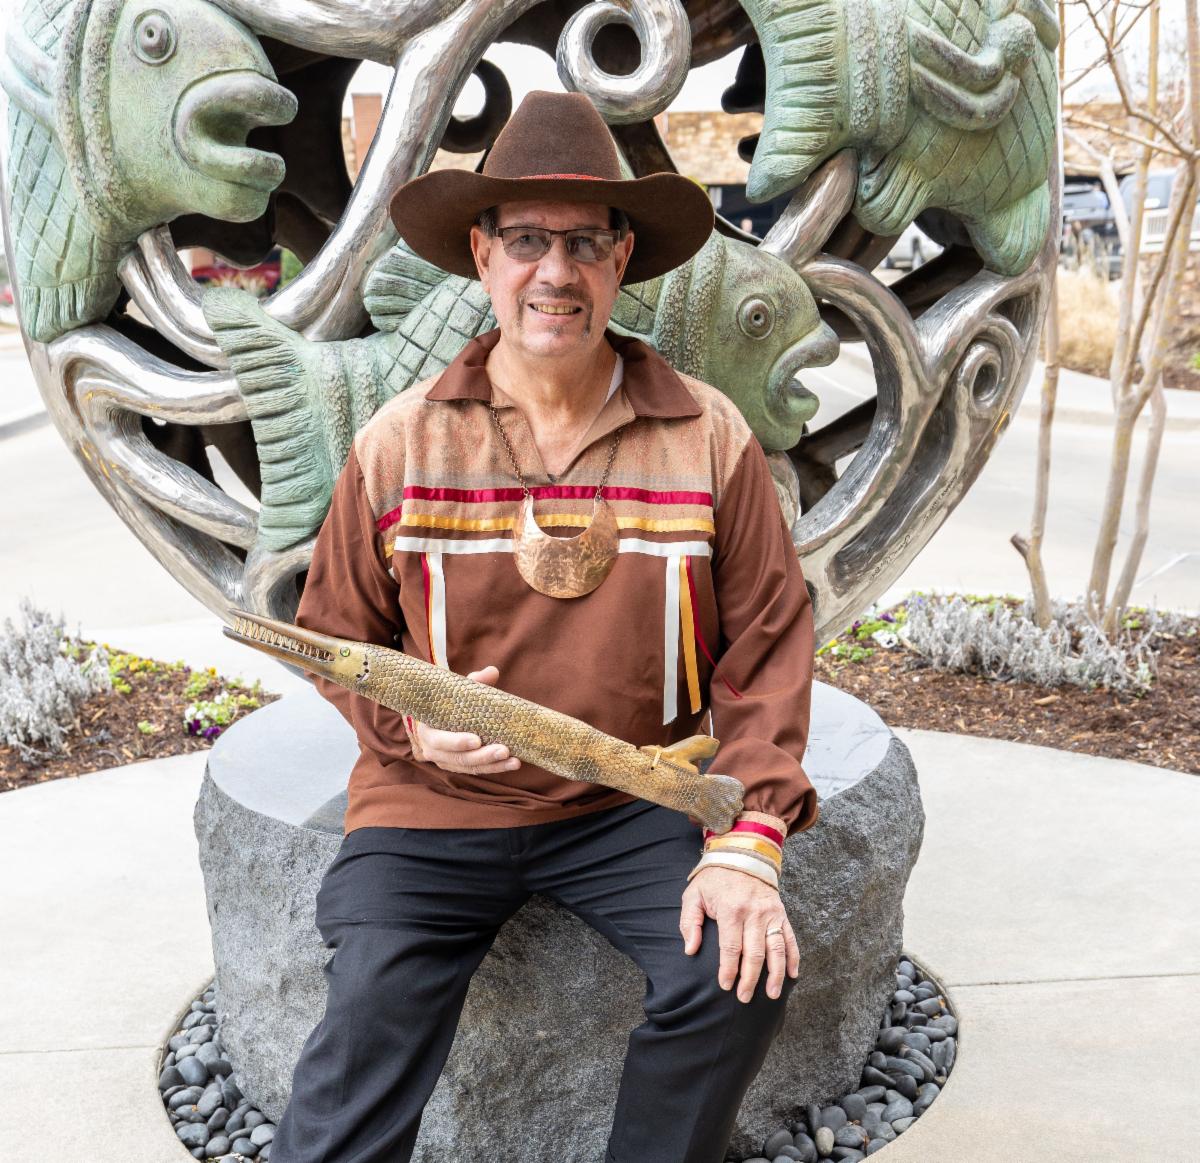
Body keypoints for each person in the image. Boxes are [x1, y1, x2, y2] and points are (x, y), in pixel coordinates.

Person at [273, 90, 820, 1163]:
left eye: (583, 243)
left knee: (738, 972)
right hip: (430, 807)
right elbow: (337, 631)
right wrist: (410, 730)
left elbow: (767, 643)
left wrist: (749, 840)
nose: (554, 272)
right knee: (367, 1020)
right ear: (483, 255)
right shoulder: (401, 441)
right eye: (527, 240)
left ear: (623, 258)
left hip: (634, 798)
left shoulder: (708, 436)